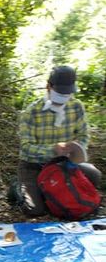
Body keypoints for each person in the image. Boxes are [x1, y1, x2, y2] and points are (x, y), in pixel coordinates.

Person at [16, 65, 101, 216]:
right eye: (60, 92)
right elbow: (26, 147)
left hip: (64, 165)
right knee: (35, 210)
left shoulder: (76, 107)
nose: (64, 96)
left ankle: (50, 191)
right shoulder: (32, 111)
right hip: (34, 166)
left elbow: (83, 135)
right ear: (48, 87)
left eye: (67, 93)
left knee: (94, 175)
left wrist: (76, 149)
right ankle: (18, 187)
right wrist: (52, 149)